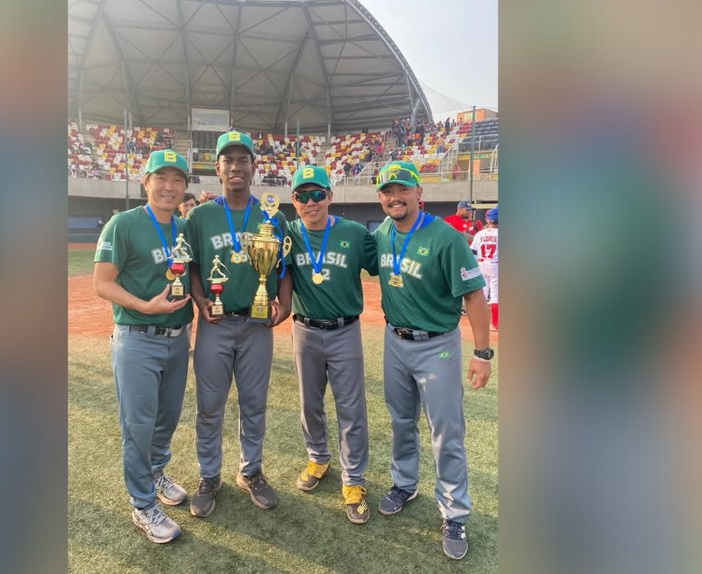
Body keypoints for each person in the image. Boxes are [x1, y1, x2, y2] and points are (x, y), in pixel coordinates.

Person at [372, 160, 494, 560]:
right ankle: (404, 484)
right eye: (388, 191)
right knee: (400, 420)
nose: (395, 196)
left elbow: (474, 295)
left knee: (446, 432)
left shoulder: (446, 237)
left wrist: (481, 353)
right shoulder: (384, 232)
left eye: (403, 189)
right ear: (381, 197)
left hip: (437, 345)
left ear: (418, 193)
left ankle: (454, 511)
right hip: (394, 340)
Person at [183, 130, 293, 518]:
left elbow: (282, 267)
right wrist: (200, 302)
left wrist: (285, 302)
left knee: (253, 403)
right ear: (217, 168)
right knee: (209, 405)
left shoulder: (272, 216)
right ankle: (209, 475)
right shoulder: (199, 216)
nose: (235, 167)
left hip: (256, 326)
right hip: (215, 324)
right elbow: (192, 266)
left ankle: (251, 471)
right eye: (228, 160)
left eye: (242, 160)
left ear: (253, 167)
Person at [92, 149, 195, 544]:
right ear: (146, 182)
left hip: (176, 339)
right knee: (138, 425)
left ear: (184, 186)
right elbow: (102, 283)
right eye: (161, 178)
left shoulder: (183, 227)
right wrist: (143, 305)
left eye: (177, 180)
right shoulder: (123, 224)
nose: (169, 187)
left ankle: (156, 472)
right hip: (137, 338)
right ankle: (142, 503)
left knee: (167, 418)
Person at [283, 165, 378, 524]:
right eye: (302, 196)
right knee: (310, 403)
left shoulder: (353, 233)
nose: (311, 202)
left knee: (351, 408)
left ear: (330, 196)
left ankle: (353, 480)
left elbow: (383, 263)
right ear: (293, 200)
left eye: (317, 194)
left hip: (344, 330)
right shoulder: (287, 232)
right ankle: (318, 457)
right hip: (304, 330)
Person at [470, 208, 499, 331]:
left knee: (482, 293)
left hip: (481, 264)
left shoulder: (479, 234)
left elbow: (473, 252)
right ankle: (495, 324)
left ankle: (478, 323)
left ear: (487, 219)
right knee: (495, 294)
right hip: (496, 264)